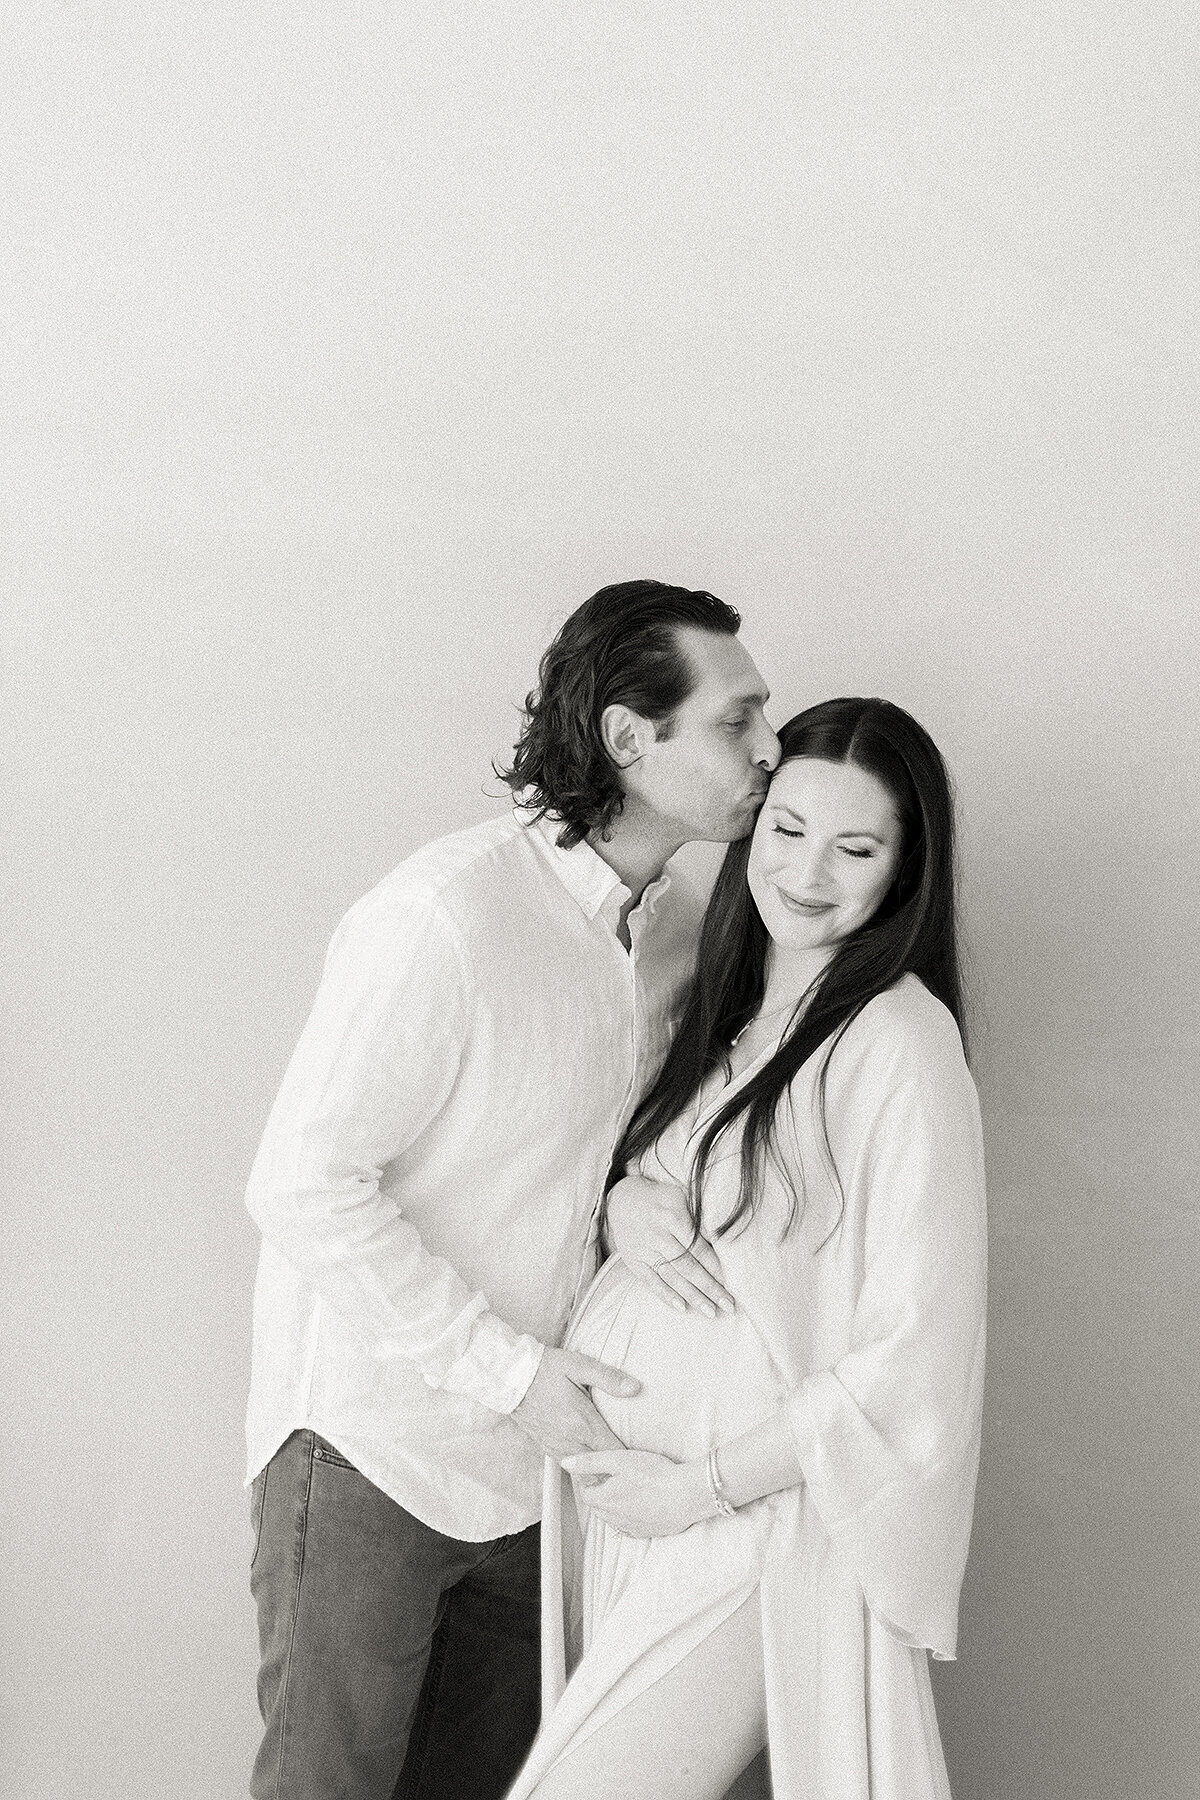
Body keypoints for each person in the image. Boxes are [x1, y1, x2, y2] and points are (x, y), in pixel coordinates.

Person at [242, 580, 781, 1800]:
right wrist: (512, 1373)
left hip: (542, 1480)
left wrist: (625, 1200)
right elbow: (302, 1182)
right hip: (372, 1449)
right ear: (631, 741)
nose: (770, 751)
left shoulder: (686, 931)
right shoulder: (447, 914)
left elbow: (579, 1153)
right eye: (737, 720)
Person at [507, 698, 988, 1800]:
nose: (810, 873)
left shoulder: (898, 1042)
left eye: (856, 848)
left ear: (904, 873)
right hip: (634, 1515)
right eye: (787, 829)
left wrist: (701, 1492)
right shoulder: (717, 1015)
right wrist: (623, 1200)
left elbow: (912, 1351)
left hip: (748, 1523)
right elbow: (671, 1196)